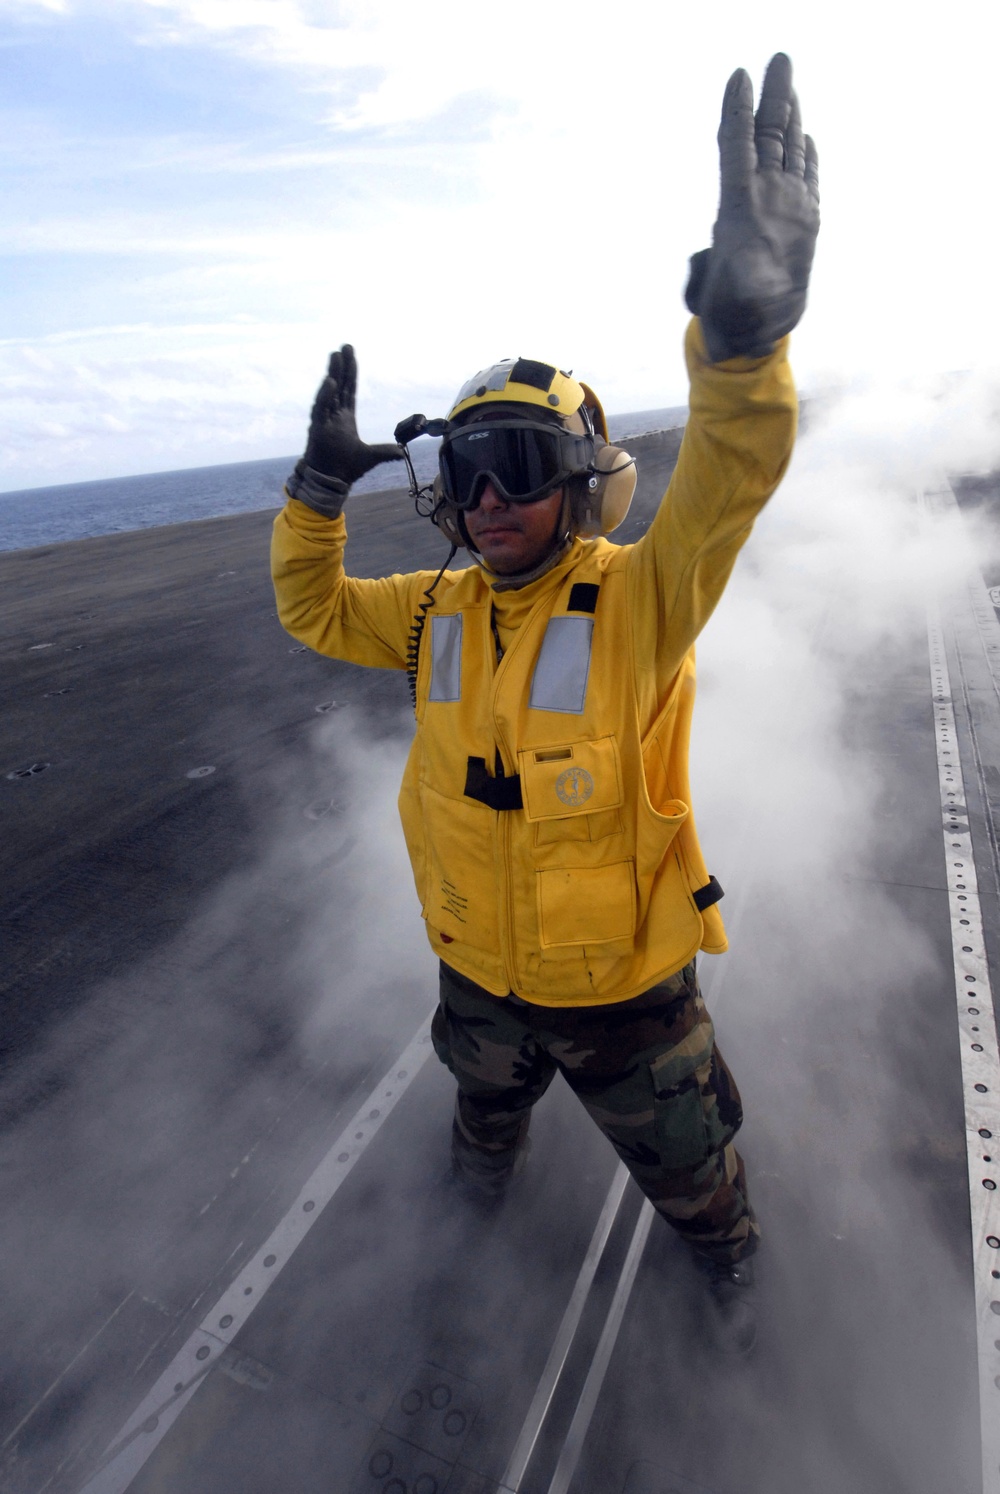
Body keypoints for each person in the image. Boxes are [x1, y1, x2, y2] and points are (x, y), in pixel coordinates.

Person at [271, 53, 819, 1353]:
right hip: (479, 970)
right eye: (467, 470)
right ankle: (475, 1207)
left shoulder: (637, 600)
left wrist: (742, 349)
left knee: (692, 1171)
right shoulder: (433, 611)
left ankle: (731, 1270)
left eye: (518, 464)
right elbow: (311, 607)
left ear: (576, 481)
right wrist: (313, 489)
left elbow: (727, 488)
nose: (490, 495)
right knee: (480, 1120)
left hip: (623, 989)